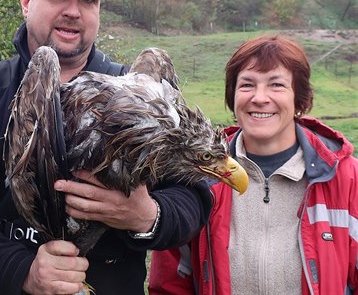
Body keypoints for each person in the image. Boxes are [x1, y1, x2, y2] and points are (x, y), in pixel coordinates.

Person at [0, 0, 212, 294]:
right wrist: (22, 271)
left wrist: (148, 215)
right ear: (27, 2)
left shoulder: (139, 93)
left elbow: (194, 196)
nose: (73, 10)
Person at [148, 35, 358, 295]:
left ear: (299, 100)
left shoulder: (347, 178)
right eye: (247, 85)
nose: (259, 98)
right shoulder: (195, 173)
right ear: (232, 96)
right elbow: (169, 286)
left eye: (277, 85)